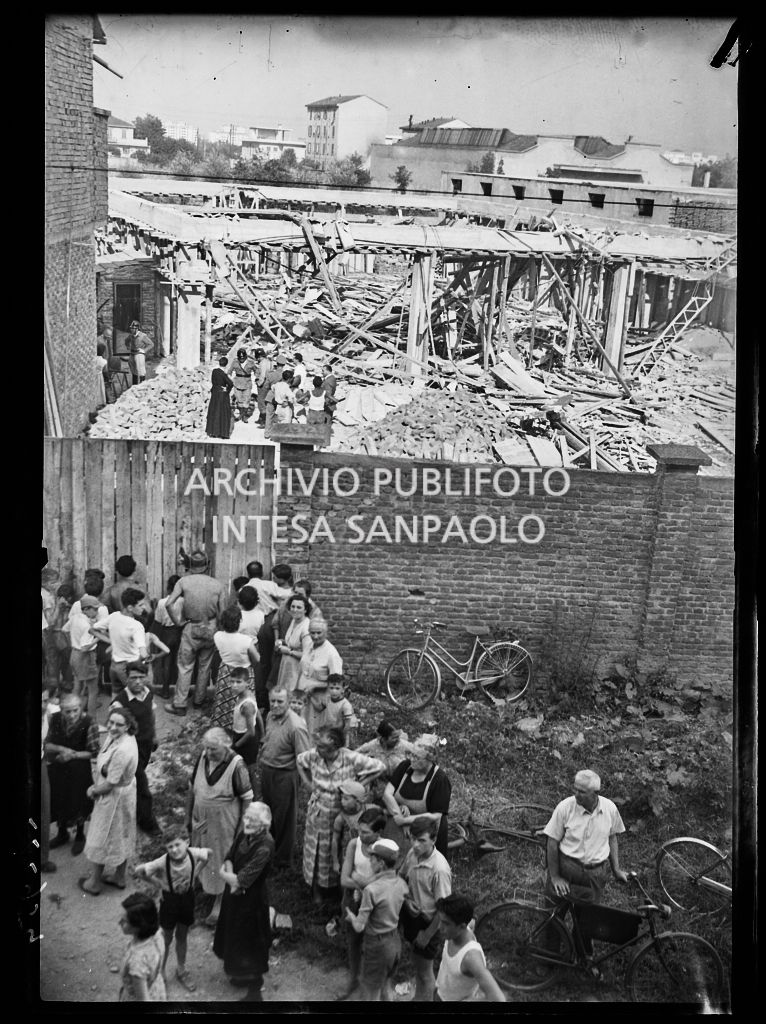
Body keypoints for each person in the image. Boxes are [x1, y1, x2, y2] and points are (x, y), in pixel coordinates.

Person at [297, 726, 385, 903]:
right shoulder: (314, 755)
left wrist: (360, 783)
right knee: (316, 850)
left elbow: (380, 767)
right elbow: (300, 761)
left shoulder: (350, 758)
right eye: (318, 746)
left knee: (338, 851)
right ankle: (317, 889)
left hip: (341, 812)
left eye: (322, 747)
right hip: (318, 812)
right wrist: (307, 782)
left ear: (335, 747)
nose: (317, 749)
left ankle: (338, 888)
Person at [186, 728, 254, 926]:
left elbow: (247, 799)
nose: (208, 753)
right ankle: (203, 888)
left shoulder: (237, 765)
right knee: (200, 854)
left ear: (226, 747)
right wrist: (187, 816)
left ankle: (219, 903)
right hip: (201, 820)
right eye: (206, 748)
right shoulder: (203, 757)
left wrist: (243, 828)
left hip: (224, 824)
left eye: (213, 749)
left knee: (221, 859)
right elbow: (192, 788)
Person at [134, 829, 213, 993]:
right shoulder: (162, 862)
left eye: (178, 845)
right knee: (167, 938)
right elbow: (139, 871)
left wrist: (195, 874)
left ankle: (181, 970)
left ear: (187, 842)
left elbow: (208, 854)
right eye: (170, 847)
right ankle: (160, 972)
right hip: (169, 902)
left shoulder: (193, 853)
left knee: (182, 935)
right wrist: (159, 884)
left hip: (187, 900)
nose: (174, 850)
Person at [543, 769, 628, 915]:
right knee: (553, 915)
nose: (576, 794)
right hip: (566, 869)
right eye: (575, 789)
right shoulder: (565, 807)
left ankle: (579, 937)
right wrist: (555, 877)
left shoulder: (610, 809)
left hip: (594, 876)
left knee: (587, 924)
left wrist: (616, 869)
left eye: (582, 791)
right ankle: (552, 936)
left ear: (595, 793)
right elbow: (552, 842)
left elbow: (612, 838)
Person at [214, 802, 275, 1001]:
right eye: (247, 817)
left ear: (263, 825)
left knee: (252, 943)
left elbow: (244, 879)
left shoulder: (265, 846)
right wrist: (231, 878)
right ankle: (242, 974)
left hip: (252, 903)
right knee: (236, 937)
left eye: (253, 820)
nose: (247, 822)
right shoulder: (245, 833)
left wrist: (227, 877)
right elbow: (230, 856)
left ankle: (255, 990)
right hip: (235, 897)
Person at [80, 707, 139, 895]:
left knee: (102, 835)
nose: (113, 727)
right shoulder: (122, 737)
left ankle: (94, 883)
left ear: (128, 725)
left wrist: (92, 790)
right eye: (111, 722)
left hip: (114, 797)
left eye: (118, 724)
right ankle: (119, 877)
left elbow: (110, 784)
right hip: (125, 792)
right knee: (122, 834)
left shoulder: (123, 749)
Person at [344, 838, 409, 1002]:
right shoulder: (401, 884)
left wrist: (351, 916)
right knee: (386, 985)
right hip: (394, 943)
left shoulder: (371, 890)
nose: (369, 861)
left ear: (380, 863)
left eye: (372, 858)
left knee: (370, 992)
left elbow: (359, 926)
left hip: (376, 946)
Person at [164, 551, 227, 716]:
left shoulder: (183, 581)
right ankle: (199, 701)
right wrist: (218, 629)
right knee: (204, 666)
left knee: (185, 666)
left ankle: (180, 704)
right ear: (206, 566)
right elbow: (223, 612)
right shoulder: (218, 585)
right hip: (211, 626)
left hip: (191, 626)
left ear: (190, 566)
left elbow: (169, 604)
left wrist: (178, 622)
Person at [398, 817, 453, 1002]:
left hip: (430, 924)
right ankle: (419, 997)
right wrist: (406, 901)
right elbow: (400, 878)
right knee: (418, 963)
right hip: (413, 917)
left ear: (434, 840)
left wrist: (427, 935)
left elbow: (444, 910)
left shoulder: (439, 869)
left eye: (421, 840)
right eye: (412, 838)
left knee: (425, 972)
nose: (415, 844)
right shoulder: (412, 855)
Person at [258, 687, 311, 869]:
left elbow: (304, 758)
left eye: (280, 701)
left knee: (284, 818)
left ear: (288, 702)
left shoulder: (296, 726)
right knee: (269, 813)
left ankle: (282, 860)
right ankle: (268, 849)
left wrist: (304, 781)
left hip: (285, 775)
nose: (275, 705)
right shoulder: (270, 716)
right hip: (267, 771)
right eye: (272, 700)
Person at [339, 807, 387, 998]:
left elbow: (386, 881)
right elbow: (344, 879)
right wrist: (365, 885)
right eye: (360, 830)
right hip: (353, 900)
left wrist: (358, 880)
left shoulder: (385, 849)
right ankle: (353, 979)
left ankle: (372, 985)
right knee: (353, 942)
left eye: (366, 832)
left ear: (378, 833)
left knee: (373, 946)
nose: (360, 835)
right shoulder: (353, 844)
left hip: (375, 904)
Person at [45, 693, 99, 856]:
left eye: (75, 710)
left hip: (79, 770)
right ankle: (62, 833)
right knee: (59, 799)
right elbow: (45, 744)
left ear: (80, 708)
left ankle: (80, 835)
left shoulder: (89, 722)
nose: (72, 715)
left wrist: (72, 755)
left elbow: (93, 752)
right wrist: (61, 750)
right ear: (61, 710)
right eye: (67, 712)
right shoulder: (53, 719)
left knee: (79, 801)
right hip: (58, 767)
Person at [382, 733, 452, 857]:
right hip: (399, 823)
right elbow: (387, 794)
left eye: (417, 757)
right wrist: (399, 816)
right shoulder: (405, 767)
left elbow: (436, 815)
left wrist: (406, 821)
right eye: (411, 754)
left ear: (430, 759)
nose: (412, 759)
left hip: (425, 831)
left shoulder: (440, 780)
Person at [111, 662, 160, 835]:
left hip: (146, 745)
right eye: (133, 678)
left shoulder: (148, 692)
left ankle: (132, 807)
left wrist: (154, 735)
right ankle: (147, 822)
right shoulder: (120, 702)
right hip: (130, 750)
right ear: (127, 679)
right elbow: (114, 729)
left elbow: (151, 714)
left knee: (134, 782)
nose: (138, 682)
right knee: (142, 784)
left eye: (141, 677)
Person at [435, 894, 506, 1002]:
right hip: (440, 994)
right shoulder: (456, 932)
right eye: (440, 921)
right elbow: (472, 922)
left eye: (445, 923)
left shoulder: (471, 957)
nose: (439, 927)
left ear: (461, 926)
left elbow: (498, 998)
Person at [90, 588, 149, 694]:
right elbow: (143, 654)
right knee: (138, 696)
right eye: (140, 605)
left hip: (114, 666)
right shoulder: (136, 626)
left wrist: (111, 641)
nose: (144, 608)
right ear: (130, 607)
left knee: (116, 694)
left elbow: (93, 629)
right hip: (130, 668)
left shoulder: (114, 616)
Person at [211, 607, 260, 729]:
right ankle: (243, 726)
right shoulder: (246, 641)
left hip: (225, 671)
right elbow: (257, 658)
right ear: (239, 622)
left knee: (225, 700)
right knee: (243, 700)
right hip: (243, 672)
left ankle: (224, 724)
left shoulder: (217, 636)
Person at [117, 893, 167, 1001]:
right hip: (155, 988)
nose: (119, 923)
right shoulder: (158, 934)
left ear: (139, 926)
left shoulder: (137, 963)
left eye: (124, 921)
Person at [356, 721, 411, 804]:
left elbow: (420, 753)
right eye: (394, 737)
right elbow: (354, 754)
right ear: (384, 738)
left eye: (398, 736)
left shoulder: (403, 745)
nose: (398, 739)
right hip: (379, 789)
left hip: (399, 789)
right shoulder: (373, 745)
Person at [229, 669, 264, 792]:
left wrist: (235, 745)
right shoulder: (248, 694)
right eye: (232, 682)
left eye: (238, 682)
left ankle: (255, 797)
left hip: (246, 740)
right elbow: (258, 714)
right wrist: (263, 734)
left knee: (249, 770)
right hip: (240, 734)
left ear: (247, 683)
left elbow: (251, 732)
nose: (234, 685)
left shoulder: (247, 705)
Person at [68, 595, 102, 717]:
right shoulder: (86, 626)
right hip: (85, 657)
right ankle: (92, 721)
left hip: (74, 654)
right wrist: (97, 638)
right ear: (86, 609)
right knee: (93, 690)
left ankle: (73, 716)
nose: (97, 612)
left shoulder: (74, 618)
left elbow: (64, 629)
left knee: (77, 687)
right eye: (95, 609)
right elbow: (85, 648)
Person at [331, 780, 373, 876]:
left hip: (367, 856)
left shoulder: (369, 810)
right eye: (341, 798)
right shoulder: (341, 818)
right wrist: (335, 862)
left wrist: (403, 809)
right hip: (348, 858)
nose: (342, 802)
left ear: (358, 800)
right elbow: (334, 840)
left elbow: (385, 812)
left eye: (346, 799)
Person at [151, 575, 183, 698]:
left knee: (166, 663)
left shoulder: (162, 602)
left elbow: (157, 621)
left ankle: (165, 690)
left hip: (166, 633)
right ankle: (180, 693)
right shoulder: (184, 601)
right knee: (181, 663)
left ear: (169, 588)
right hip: (179, 632)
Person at [274, 595, 312, 694]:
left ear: (305, 610)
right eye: (293, 606)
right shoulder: (294, 621)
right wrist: (281, 642)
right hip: (287, 668)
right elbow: (292, 641)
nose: (295, 610)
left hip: (297, 670)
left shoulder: (306, 627)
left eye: (299, 607)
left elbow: (307, 655)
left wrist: (289, 652)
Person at [298, 619, 343, 694]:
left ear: (326, 633)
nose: (315, 636)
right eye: (312, 633)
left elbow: (337, 682)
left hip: (320, 697)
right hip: (303, 695)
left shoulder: (332, 654)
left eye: (319, 633)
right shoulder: (309, 646)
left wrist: (315, 686)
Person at [40, 688, 57, 873]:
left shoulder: (49, 713)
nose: (42, 705)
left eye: (45, 700)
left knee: (44, 810)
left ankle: (42, 858)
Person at [227, 347, 258, 422]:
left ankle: (244, 416)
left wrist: (257, 378)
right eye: (240, 358)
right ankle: (241, 413)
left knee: (246, 401)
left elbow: (256, 370)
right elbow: (229, 371)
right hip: (237, 383)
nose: (242, 360)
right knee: (239, 400)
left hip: (247, 383)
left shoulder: (250, 363)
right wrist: (229, 378)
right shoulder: (235, 362)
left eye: (243, 358)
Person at [126, 320, 153, 386]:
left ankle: (142, 386)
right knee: (134, 371)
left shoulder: (142, 336)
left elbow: (151, 344)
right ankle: (134, 386)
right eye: (131, 328)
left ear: (137, 328)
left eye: (133, 328)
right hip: (132, 354)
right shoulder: (131, 335)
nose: (132, 330)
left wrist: (144, 350)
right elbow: (126, 341)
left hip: (139, 354)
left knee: (141, 371)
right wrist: (128, 347)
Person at [254, 348, 272, 424]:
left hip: (263, 384)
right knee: (265, 401)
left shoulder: (262, 363)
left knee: (261, 402)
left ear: (259, 357)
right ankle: (261, 418)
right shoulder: (269, 362)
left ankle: (263, 420)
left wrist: (258, 383)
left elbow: (262, 375)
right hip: (268, 383)